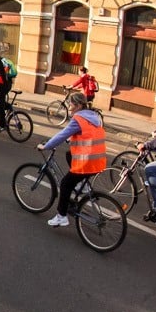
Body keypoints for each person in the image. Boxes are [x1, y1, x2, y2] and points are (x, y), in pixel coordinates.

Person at [37, 91, 106, 227]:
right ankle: (83, 184)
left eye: (71, 103)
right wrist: (71, 140)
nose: (69, 105)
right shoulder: (93, 117)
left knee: (65, 184)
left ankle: (61, 216)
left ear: (79, 105)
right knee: (69, 154)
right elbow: (85, 135)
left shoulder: (78, 119)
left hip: (87, 162)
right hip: (98, 161)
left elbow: (62, 135)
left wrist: (47, 146)